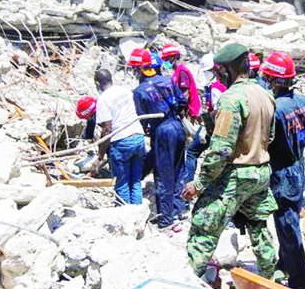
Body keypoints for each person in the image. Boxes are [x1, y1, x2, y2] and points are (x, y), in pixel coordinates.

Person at [182, 43, 278, 281]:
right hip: (261, 172)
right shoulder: (265, 94)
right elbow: (271, 136)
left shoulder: (231, 100)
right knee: (259, 227)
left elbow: (221, 150)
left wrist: (199, 183)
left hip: (235, 175)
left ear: (225, 70)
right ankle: (270, 278)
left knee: (204, 225)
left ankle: (189, 280)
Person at [260, 51, 305, 289]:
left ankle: (300, 283)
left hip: (281, 175)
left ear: (272, 80)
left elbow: (263, 144)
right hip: (298, 169)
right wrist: (298, 141)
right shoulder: (301, 101)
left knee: (288, 229)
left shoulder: (274, 109)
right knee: (290, 223)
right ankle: (284, 263)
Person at [131, 48, 188, 230]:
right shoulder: (167, 81)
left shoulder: (139, 91)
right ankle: (180, 212)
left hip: (162, 131)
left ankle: (166, 221)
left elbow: (143, 120)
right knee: (179, 170)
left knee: (163, 175)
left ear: (140, 69)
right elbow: (182, 102)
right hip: (178, 126)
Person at [91, 70, 146, 205]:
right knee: (135, 181)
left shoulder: (103, 99)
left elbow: (107, 129)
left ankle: (125, 216)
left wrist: (100, 156)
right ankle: (137, 214)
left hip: (122, 142)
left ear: (97, 83)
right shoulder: (125, 91)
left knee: (122, 183)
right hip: (138, 137)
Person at [184, 53, 226, 189]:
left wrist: (205, 127)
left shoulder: (215, 88)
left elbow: (218, 110)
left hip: (214, 128)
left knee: (191, 152)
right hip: (218, 127)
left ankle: (188, 185)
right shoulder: (222, 84)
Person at [161, 43, 202, 119]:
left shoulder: (182, 72)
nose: (165, 62)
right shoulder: (177, 71)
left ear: (173, 58)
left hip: (187, 110)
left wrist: (179, 109)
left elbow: (185, 94)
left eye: (166, 59)